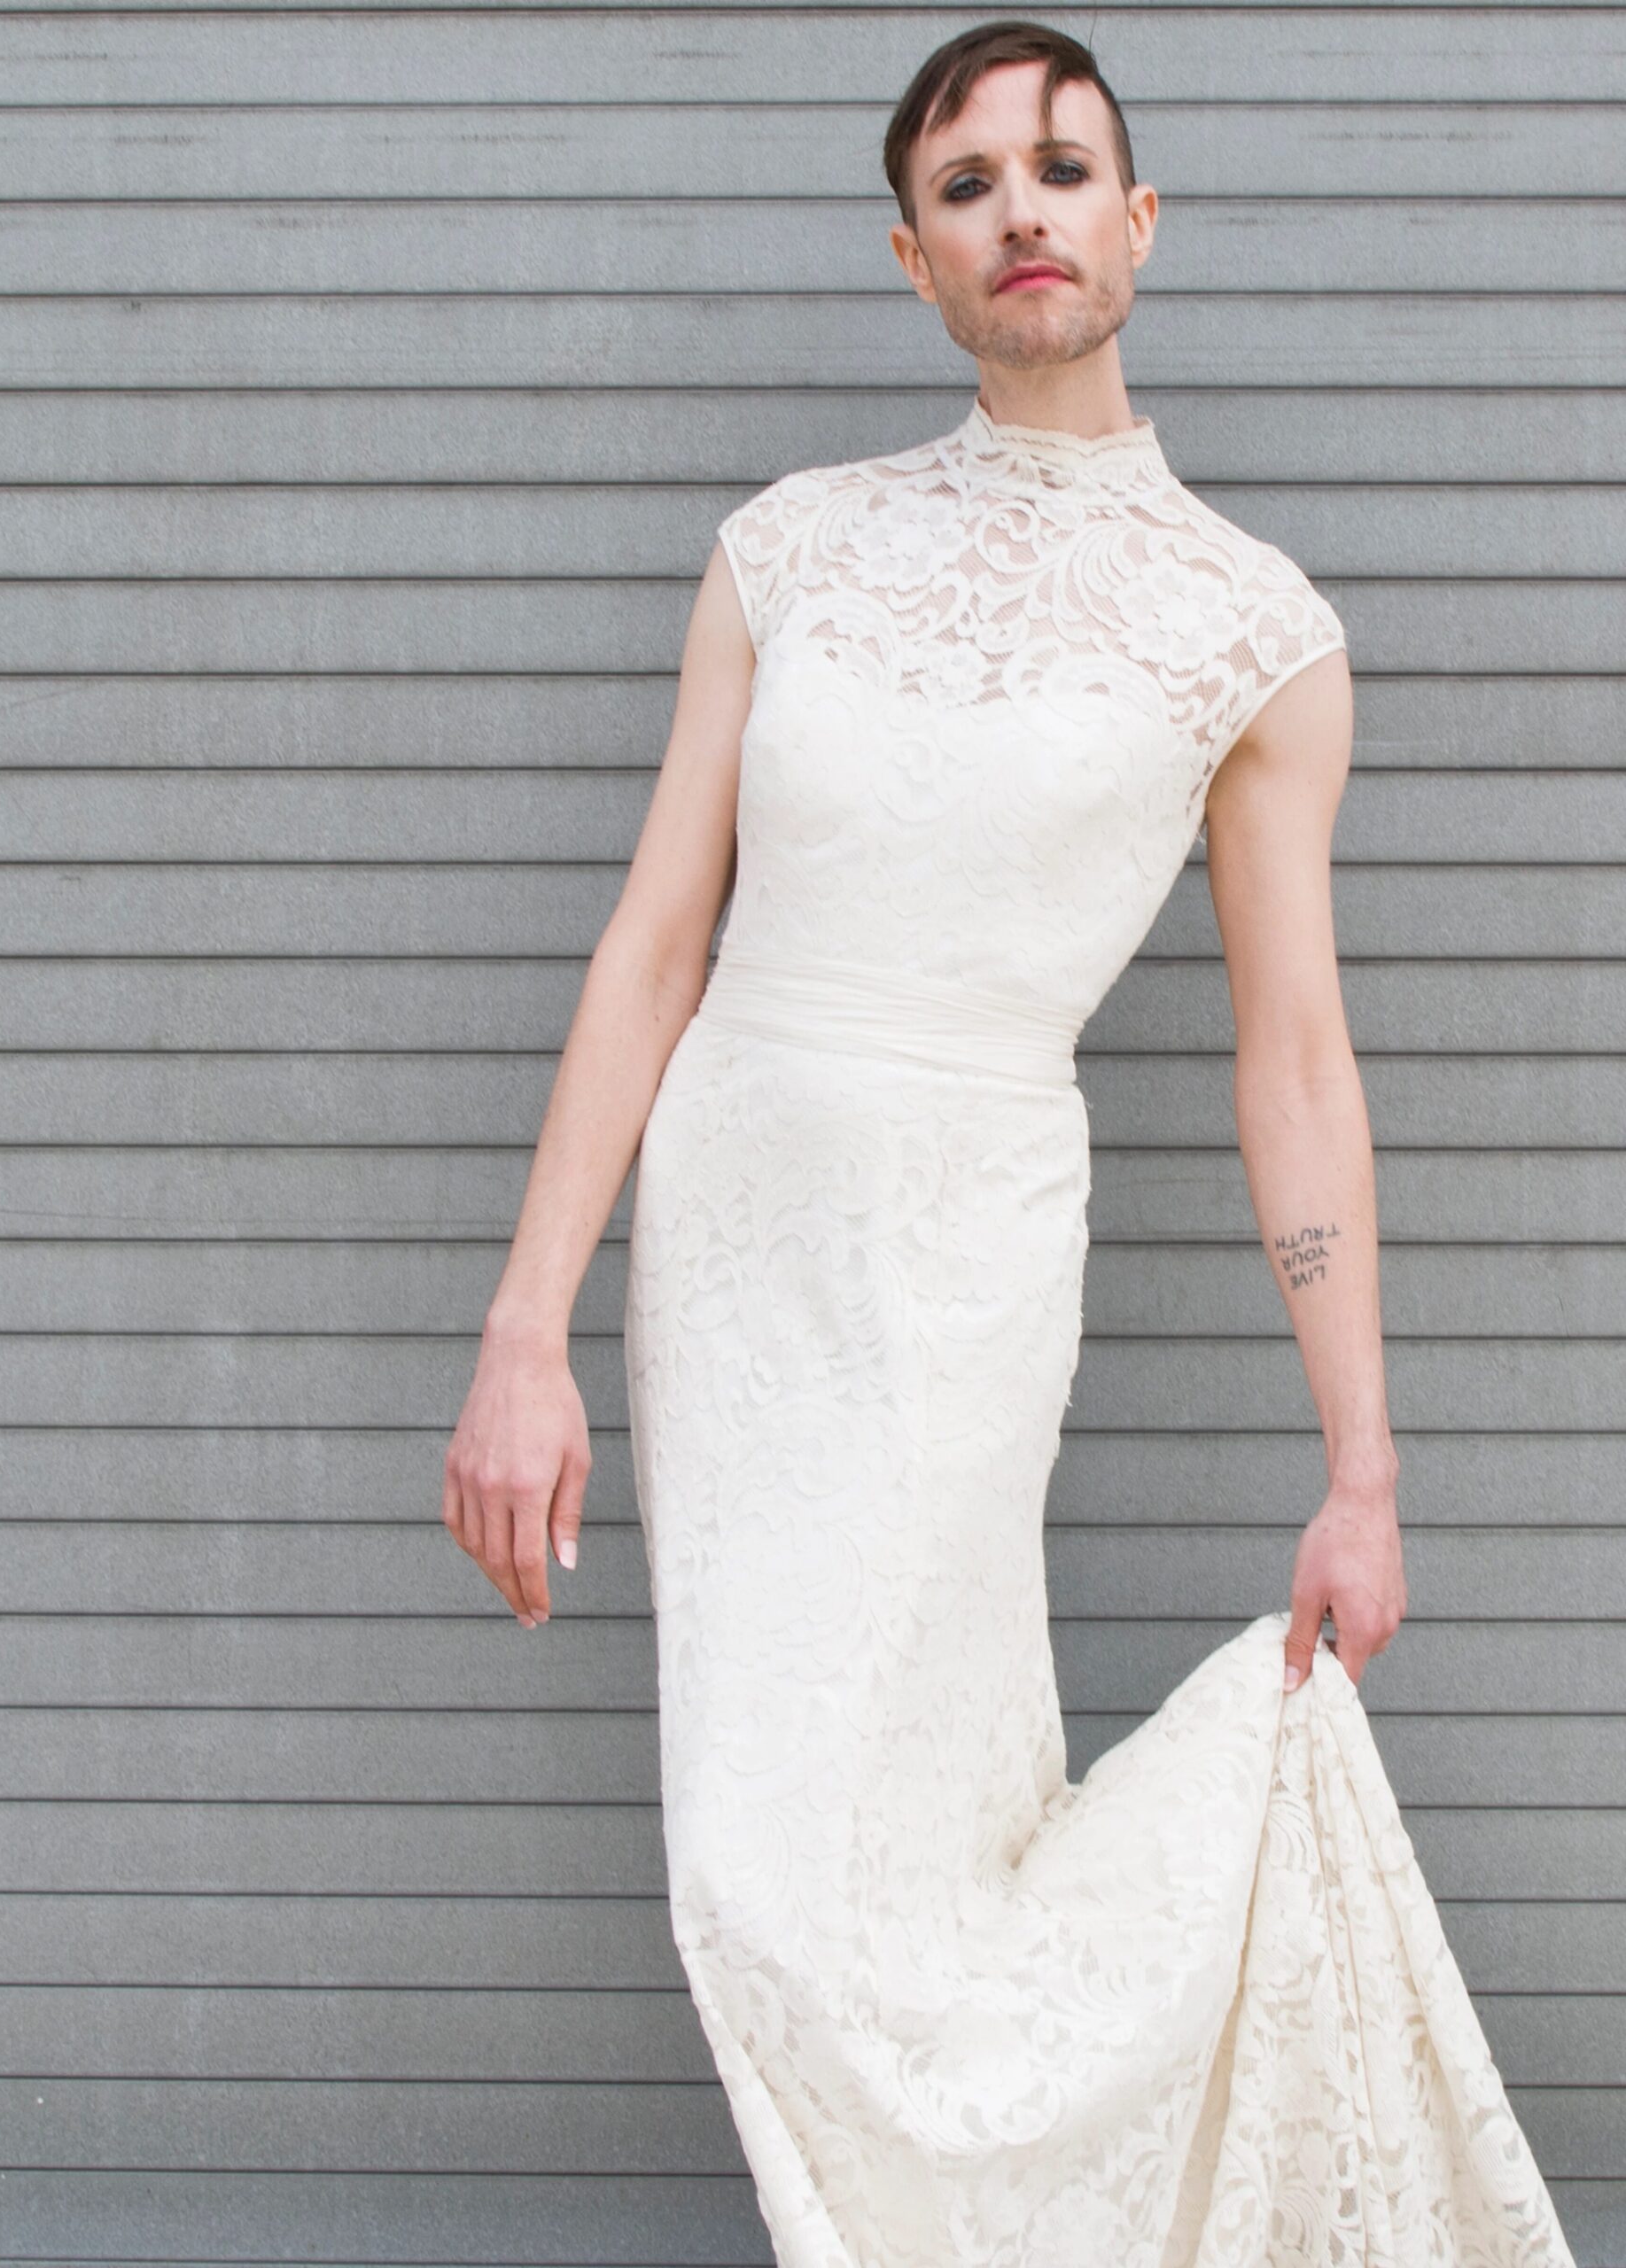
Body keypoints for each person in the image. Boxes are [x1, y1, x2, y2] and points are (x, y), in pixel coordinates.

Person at [443, 18, 1578, 2263]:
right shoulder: (791, 549)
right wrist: (523, 1330)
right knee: (769, 1880)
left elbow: (1297, 1059)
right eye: (969, 185)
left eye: (1064, 167)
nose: (1022, 208)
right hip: (739, 1231)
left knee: (888, 1880)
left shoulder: (1255, 630)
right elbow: (655, 945)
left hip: (968, 1247)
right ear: (914, 258)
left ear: (1137, 224)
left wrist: (1365, 1465)